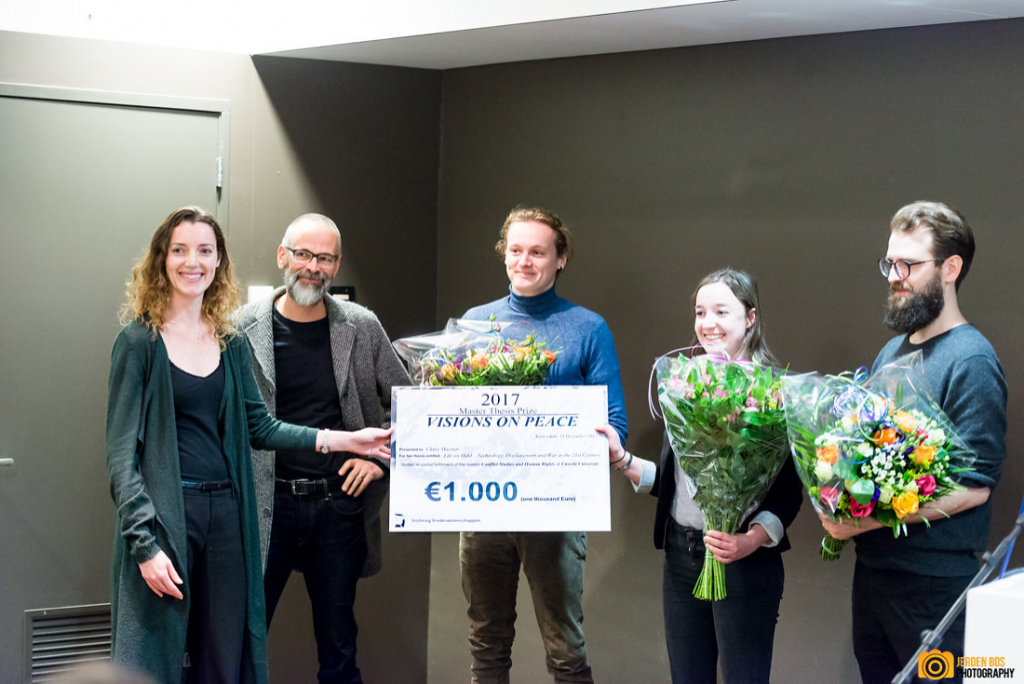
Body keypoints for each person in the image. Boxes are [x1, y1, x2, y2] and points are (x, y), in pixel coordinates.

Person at [106, 206, 392, 684]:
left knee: (224, 661)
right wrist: (145, 544)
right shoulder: (138, 342)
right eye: (179, 250)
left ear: (218, 262)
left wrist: (348, 439)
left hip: (229, 520)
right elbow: (121, 458)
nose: (192, 261)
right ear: (161, 258)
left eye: (205, 251)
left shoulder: (229, 340)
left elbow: (262, 427)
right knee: (153, 659)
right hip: (168, 517)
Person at [821, 201, 1007, 684]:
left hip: (934, 588)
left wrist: (862, 524)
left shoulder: (972, 360)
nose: (894, 276)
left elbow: (976, 487)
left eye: (909, 264)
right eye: (890, 263)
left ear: (950, 268)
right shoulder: (892, 351)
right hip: (877, 575)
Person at [599, 268, 802, 684]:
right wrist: (621, 459)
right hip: (681, 555)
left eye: (721, 312)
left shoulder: (773, 391)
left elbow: (788, 495)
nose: (707, 323)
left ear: (750, 318)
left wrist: (748, 541)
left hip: (742, 562)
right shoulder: (685, 383)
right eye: (700, 312)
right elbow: (679, 485)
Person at [237, 213, 411, 683]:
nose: (313, 267)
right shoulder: (238, 328)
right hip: (263, 505)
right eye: (303, 254)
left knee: (339, 651)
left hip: (337, 506)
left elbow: (413, 408)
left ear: (336, 266)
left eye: (325, 258)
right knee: (241, 644)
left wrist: (380, 462)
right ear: (282, 256)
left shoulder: (361, 326)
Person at [459, 207, 628, 683]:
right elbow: (446, 410)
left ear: (561, 259)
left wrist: (608, 443)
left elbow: (615, 419)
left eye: (538, 251)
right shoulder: (475, 324)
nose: (525, 261)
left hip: (556, 509)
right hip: (483, 508)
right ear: (504, 255)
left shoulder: (587, 327)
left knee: (565, 650)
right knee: (486, 648)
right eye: (516, 250)